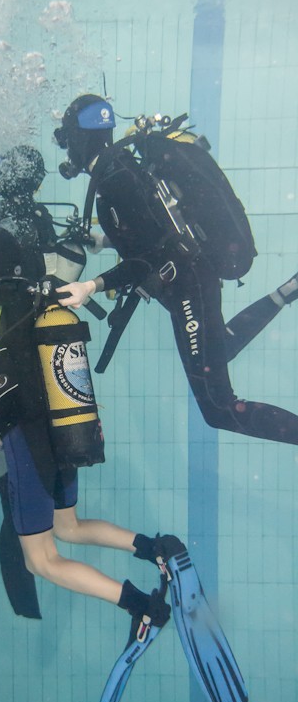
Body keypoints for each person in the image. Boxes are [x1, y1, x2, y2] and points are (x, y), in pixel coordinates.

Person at [0, 226, 171, 628]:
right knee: (68, 526)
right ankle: (157, 548)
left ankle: (142, 606)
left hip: (25, 445)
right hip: (64, 430)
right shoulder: (41, 307)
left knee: (42, 560)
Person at [54, 94, 298, 445]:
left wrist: (91, 286)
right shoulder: (122, 169)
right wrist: (105, 242)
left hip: (188, 285)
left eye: (67, 139)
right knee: (219, 351)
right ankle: (286, 292)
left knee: (219, 408)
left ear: (79, 138)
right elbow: (152, 235)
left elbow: (149, 258)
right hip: (193, 277)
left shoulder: (114, 182)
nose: (67, 151)